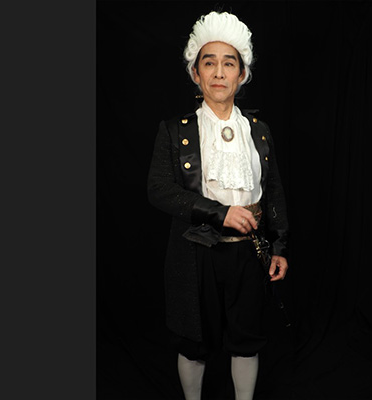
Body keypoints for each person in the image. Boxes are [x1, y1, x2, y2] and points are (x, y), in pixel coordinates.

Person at [147, 11, 289, 400]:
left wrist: (279, 245)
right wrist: (219, 212)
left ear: (242, 74)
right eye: (209, 63)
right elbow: (158, 189)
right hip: (195, 251)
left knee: (246, 339)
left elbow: (273, 190)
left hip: (249, 254)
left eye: (229, 63)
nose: (219, 73)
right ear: (196, 73)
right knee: (194, 342)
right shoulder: (174, 130)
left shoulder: (258, 131)